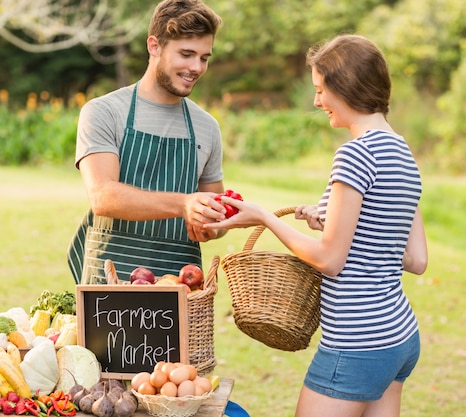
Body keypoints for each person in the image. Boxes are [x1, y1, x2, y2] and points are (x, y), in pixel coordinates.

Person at [204, 34, 428, 417]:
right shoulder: (402, 151)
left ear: (346, 87)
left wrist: (264, 217)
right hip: (398, 337)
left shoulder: (355, 155)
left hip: (357, 342)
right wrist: (330, 220)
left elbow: (329, 259)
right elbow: (415, 258)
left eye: (321, 89)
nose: (316, 100)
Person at [67, 0, 228, 284]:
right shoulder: (104, 111)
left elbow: (216, 217)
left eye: (204, 58)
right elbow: (103, 196)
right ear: (154, 46)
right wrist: (183, 204)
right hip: (110, 284)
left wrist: (211, 224)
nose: (196, 67)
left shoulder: (207, 127)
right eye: (187, 54)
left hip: (179, 288)